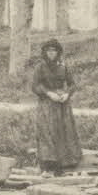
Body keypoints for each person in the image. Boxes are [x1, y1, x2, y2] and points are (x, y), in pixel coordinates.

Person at [31, 38, 82, 175]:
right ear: (45, 52)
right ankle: (47, 165)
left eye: (54, 51)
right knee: (48, 133)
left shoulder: (63, 66)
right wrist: (48, 93)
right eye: (48, 51)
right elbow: (35, 86)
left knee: (64, 132)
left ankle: (64, 165)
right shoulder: (40, 67)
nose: (51, 53)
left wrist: (67, 94)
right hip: (47, 104)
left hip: (62, 104)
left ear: (58, 52)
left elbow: (72, 84)